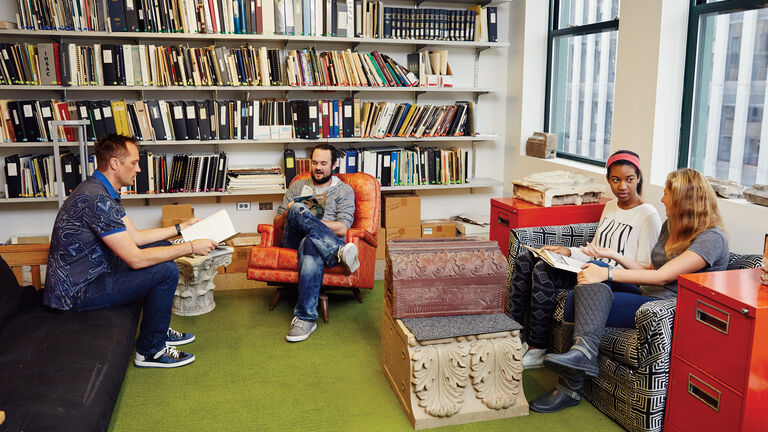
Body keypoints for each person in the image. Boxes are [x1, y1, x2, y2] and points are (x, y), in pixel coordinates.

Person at [529, 168, 729, 413]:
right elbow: (650, 268)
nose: (663, 199)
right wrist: (611, 257)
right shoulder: (672, 225)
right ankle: (579, 361)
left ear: (684, 201)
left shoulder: (711, 238)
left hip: (666, 309)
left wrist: (609, 273)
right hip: (647, 293)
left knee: (594, 280)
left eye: (667, 195)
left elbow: (662, 277)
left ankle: (574, 375)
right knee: (586, 280)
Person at [44, 134, 219, 368]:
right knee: (165, 271)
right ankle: (150, 351)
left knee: (161, 248)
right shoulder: (96, 199)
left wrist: (180, 229)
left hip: (93, 276)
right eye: (134, 163)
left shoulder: (102, 191)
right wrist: (190, 247)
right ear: (115, 164)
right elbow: (136, 259)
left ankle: (157, 330)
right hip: (76, 294)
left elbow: (135, 237)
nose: (138, 169)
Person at [508, 150, 662, 369]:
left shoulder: (648, 215)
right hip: (593, 268)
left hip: (616, 280)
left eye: (629, 179)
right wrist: (567, 252)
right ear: (608, 179)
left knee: (544, 271)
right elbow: (595, 250)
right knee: (526, 259)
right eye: (616, 180)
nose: (623, 186)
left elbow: (646, 269)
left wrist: (609, 263)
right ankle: (513, 337)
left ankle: (538, 348)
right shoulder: (610, 207)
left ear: (638, 178)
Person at [274, 143, 359, 342]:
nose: (318, 167)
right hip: (292, 239)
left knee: (311, 241)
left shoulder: (344, 191)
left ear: (334, 165)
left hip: (314, 244)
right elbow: (277, 222)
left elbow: (342, 227)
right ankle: (338, 252)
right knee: (296, 210)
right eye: (314, 163)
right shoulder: (297, 186)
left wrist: (312, 224)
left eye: (323, 163)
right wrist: (291, 212)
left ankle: (306, 319)